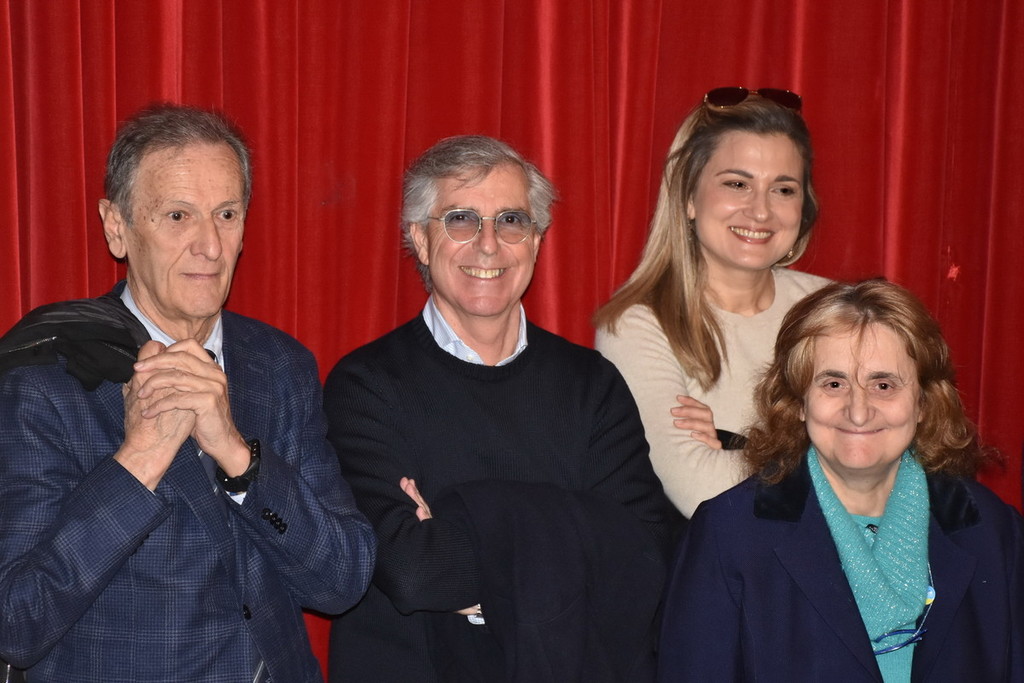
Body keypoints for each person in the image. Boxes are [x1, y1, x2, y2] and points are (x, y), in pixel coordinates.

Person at [0, 104, 376, 682]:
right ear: (117, 226)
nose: (210, 245)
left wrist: (239, 458)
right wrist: (139, 459)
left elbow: (342, 580)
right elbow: (17, 621)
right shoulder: (45, 379)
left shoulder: (280, 365)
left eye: (226, 214)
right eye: (178, 215)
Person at [324, 135, 682, 682]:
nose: (488, 244)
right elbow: (412, 572)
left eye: (511, 221)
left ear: (536, 241)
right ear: (420, 240)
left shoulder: (592, 385)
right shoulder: (365, 385)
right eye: (461, 220)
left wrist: (462, 536)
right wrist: (571, 540)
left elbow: (645, 556)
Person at [658, 279, 1024, 681]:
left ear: (923, 403)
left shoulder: (993, 531)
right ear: (799, 402)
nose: (858, 411)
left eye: (883, 385)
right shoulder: (728, 534)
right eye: (833, 384)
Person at [594, 87, 830, 518]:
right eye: (737, 184)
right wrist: (836, 451)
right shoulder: (639, 324)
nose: (761, 211)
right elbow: (701, 491)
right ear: (688, 197)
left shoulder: (835, 310)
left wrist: (740, 449)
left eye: (783, 189)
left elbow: (912, 459)